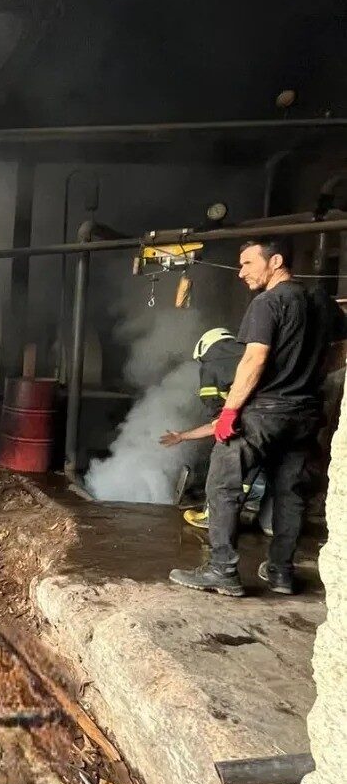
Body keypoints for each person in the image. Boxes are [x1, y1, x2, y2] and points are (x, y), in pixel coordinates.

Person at [169, 239, 347, 597]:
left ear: (276, 261)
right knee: (289, 492)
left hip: (264, 412)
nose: (241, 272)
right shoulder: (323, 303)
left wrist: (229, 413)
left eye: (249, 263)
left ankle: (222, 570)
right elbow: (342, 348)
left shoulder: (268, 303)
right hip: (306, 413)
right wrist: (312, 375)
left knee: (223, 485)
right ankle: (281, 572)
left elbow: (253, 360)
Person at [160, 327, 269, 531]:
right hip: (278, 422)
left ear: (204, 349)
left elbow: (219, 422)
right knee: (269, 475)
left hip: (247, 430)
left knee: (222, 473)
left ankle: (213, 519)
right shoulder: (251, 353)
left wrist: (183, 436)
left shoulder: (212, 366)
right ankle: (269, 523)